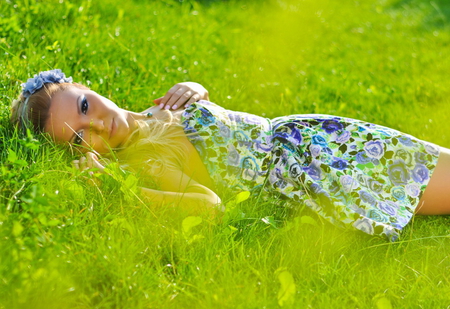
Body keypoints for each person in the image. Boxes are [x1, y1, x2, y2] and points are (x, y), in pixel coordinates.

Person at [10, 69, 450, 241]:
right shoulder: (146, 159)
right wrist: (119, 187)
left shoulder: (157, 110)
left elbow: (214, 124)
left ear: (89, 88)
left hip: (314, 133)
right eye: (80, 139)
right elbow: (210, 206)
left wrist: (197, 89)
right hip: (310, 169)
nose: (97, 125)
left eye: (85, 107)